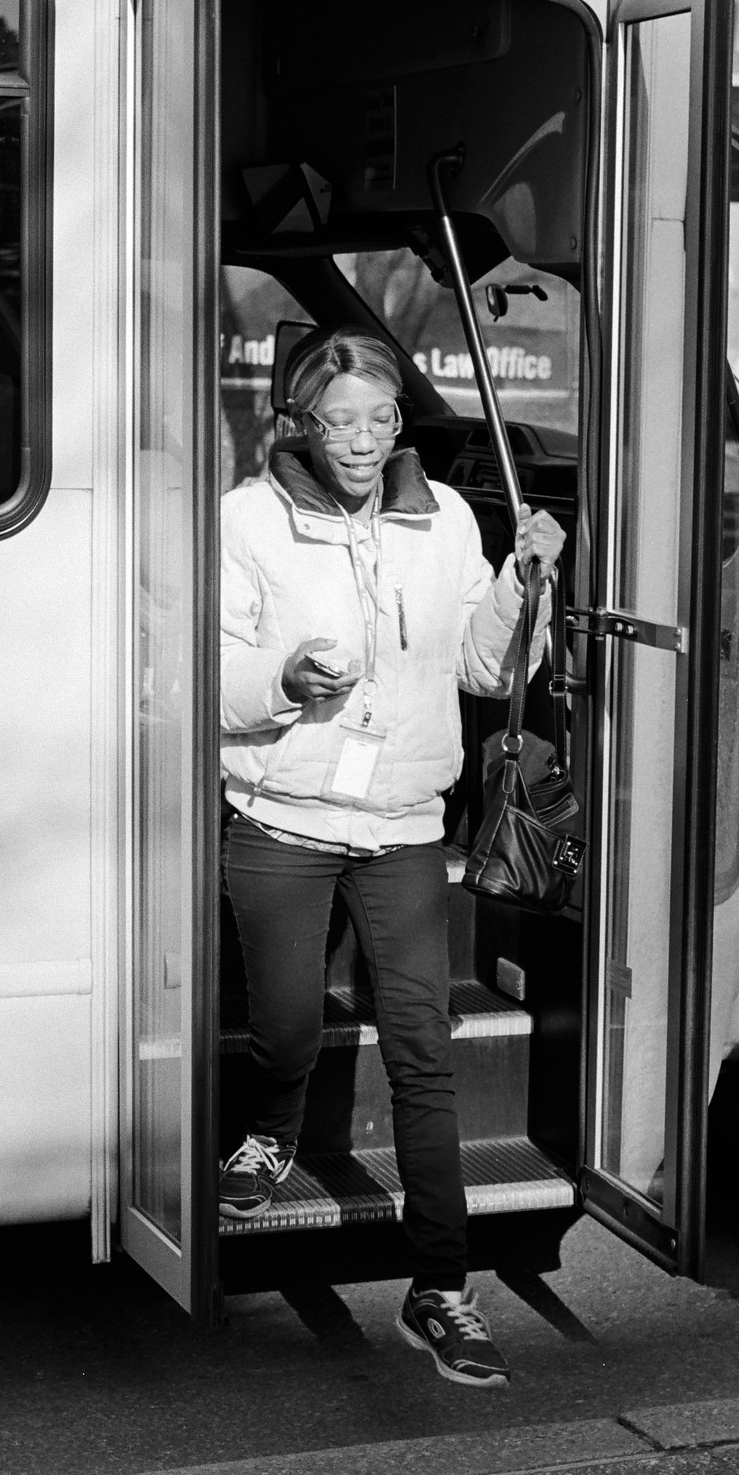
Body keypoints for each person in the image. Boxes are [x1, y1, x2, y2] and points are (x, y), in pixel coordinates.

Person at [218, 326, 566, 1388]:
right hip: (283, 813)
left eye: (380, 417)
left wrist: (520, 583)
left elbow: (480, 664)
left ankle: (440, 1287)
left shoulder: (446, 517)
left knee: (420, 1046)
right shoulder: (245, 520)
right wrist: (285, 678)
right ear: (301, 422)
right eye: (339, 420)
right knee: (284, 1026)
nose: (362, 441)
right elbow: (209, 676)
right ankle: (272, 1127)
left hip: (405, 822)